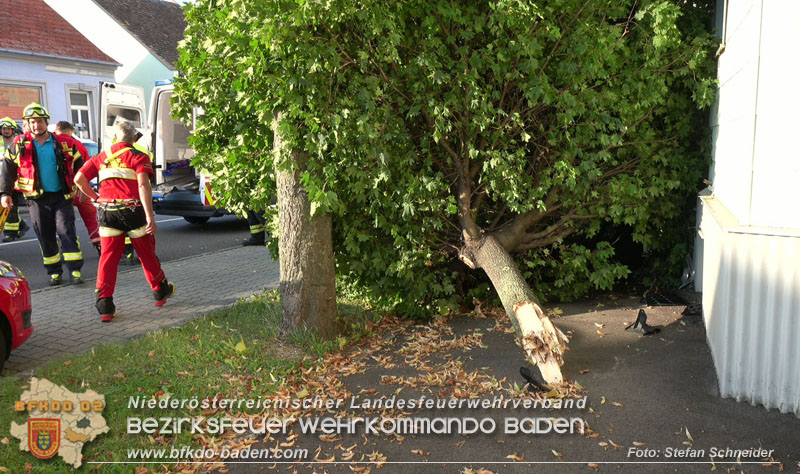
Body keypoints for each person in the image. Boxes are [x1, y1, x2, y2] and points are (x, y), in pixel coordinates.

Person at [73, 120, 175, 322]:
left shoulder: (101, 157)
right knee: (146, 253)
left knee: (108, 258)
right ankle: (160, 291)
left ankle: (105, 305)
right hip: (133, 211)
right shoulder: (139, 156)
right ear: (134, 139)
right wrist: (150, 217)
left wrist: (95, 197)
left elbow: (78, 179)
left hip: (107, 211)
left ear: (114, 138)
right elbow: (144, 186)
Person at [0, 103, 85, 285]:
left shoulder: (64, 143)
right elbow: (8, 170)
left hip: (62, 196)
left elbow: (80, 165)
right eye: (32, 122)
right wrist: (5, 193)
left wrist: (83, 187)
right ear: (27, 124)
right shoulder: (19, 144)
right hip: (36, 198)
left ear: (46, 122)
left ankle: (75, 270)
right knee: (44, 234)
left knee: (66, 231)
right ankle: (54, 272)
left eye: (39, 121)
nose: (36, 125)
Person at [53, 121, 101, 254]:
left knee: (62, 222)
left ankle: (66, 246)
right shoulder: (77, 145)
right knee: (91, 218)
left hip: (59, 191)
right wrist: (84, 188)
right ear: (70, 131)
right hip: (78, 188)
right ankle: (99, 245)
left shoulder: (49, 142)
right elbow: (85, 170)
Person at [0, 117, 30, 242]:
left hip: (15, 179)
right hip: (2, 179)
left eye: (8, 129)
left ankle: (10, 233)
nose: (6, 131)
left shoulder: (18, 142)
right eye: (4, 129)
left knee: (10, 206)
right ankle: (22, 225)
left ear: (13, 130)